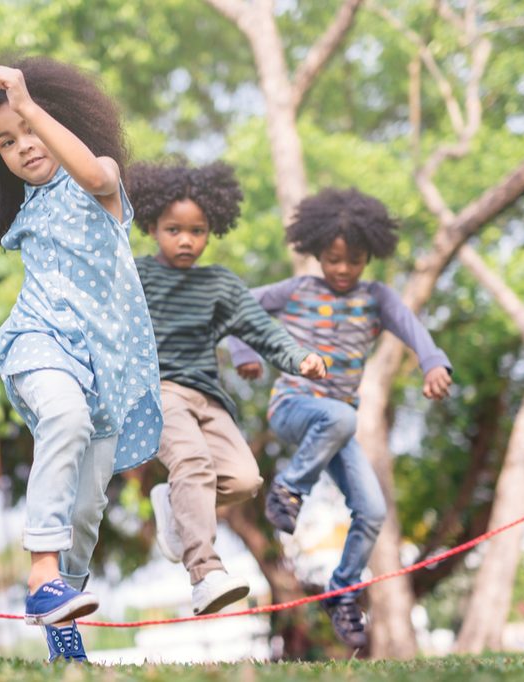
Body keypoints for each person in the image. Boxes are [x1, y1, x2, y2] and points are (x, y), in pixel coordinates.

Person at [0, 53, 162, 662]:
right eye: (6, 141)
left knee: (88, 506)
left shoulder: (100, 184)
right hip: (39, 344)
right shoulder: (29, 210)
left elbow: (96, 174)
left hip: (107, 370)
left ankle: (62, 623)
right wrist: (21, 111)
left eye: (31, 130)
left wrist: (28, 107)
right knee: (66, 419)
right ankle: (41, 572)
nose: (23, 145)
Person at [228, 187, 453, 648]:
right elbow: (237, 307)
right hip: (293, 407)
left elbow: (413, 329)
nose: (344, 269)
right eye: (333, 259)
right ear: (316, 253)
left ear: (370, 255)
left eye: (354, 260)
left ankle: (343, 590)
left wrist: (433, 362)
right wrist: (243, 350)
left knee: (372, 511)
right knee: (340, 416)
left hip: (336, 427)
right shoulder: (297, 290)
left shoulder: (377, 298)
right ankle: (289, 489)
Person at [127, 161, 327, 616]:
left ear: (210, 231)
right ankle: (205, 572)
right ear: (153, 226)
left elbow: (261, 329)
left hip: (208, 397)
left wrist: (300, 359)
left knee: (244, 479)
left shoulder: (219, 284)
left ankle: (175, 502)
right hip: (158, 391)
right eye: (173, 229)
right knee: (193, 462)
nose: (185, 240)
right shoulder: (135, 275)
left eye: (197, 231)